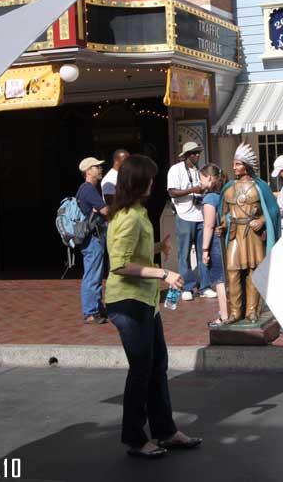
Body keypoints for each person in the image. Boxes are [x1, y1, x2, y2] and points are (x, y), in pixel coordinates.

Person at [105, 154, 202, 459]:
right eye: (149, 177)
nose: (153, 182)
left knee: (157, 366)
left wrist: (159, 248)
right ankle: (135, 438)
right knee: (142, 370)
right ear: (138, 181)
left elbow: (134, 252)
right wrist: (163, 272)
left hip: (146, 301)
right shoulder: (130, 216)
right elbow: (119, 265)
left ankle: (165, 431)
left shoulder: (136, 212)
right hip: (128, 302)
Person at [220, 143, 281, 324]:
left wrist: (261, 221)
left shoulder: (260, 187)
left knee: (253, 272)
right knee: (232, 271)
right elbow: (224, 214)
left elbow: (272, 211)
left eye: (237, 163)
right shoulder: (228, 188)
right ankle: (235, 312)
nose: (234, 167)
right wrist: (222, 225)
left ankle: (252, 311)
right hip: (235, 235)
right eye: (234, 163)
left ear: (246, 165)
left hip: (253, 236)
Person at [167, 142, 214, 301]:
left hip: (200, 216)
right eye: (194, 153)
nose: (197, 155)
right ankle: (187, 287)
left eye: (198, 152)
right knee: (184, 254)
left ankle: (205, 286)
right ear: (186, 155)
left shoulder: (198, 171)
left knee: (203, 252)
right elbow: (172, 192)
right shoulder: (176, 169)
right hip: (185, 216)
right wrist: (193, 190)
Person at [77, 157, 109, 324]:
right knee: (92, 275)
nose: (100, 169)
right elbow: (105, 211)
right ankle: (90, 312)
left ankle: (96, 307)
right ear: (88, 171)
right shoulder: (88, 190)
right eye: (97, 167)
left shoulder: (88, 189)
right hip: (93, 238)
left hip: (94, 237)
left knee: (95, 273)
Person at [198, 164, 229, 328]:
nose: (200, 182)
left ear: (209, 177)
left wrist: (204, 250)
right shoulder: (224, 194)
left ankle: (224, 315)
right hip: (227, 239)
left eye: (201, 178)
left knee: (220, 281)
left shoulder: (210, 198)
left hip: (216, 244)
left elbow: (208, 225)